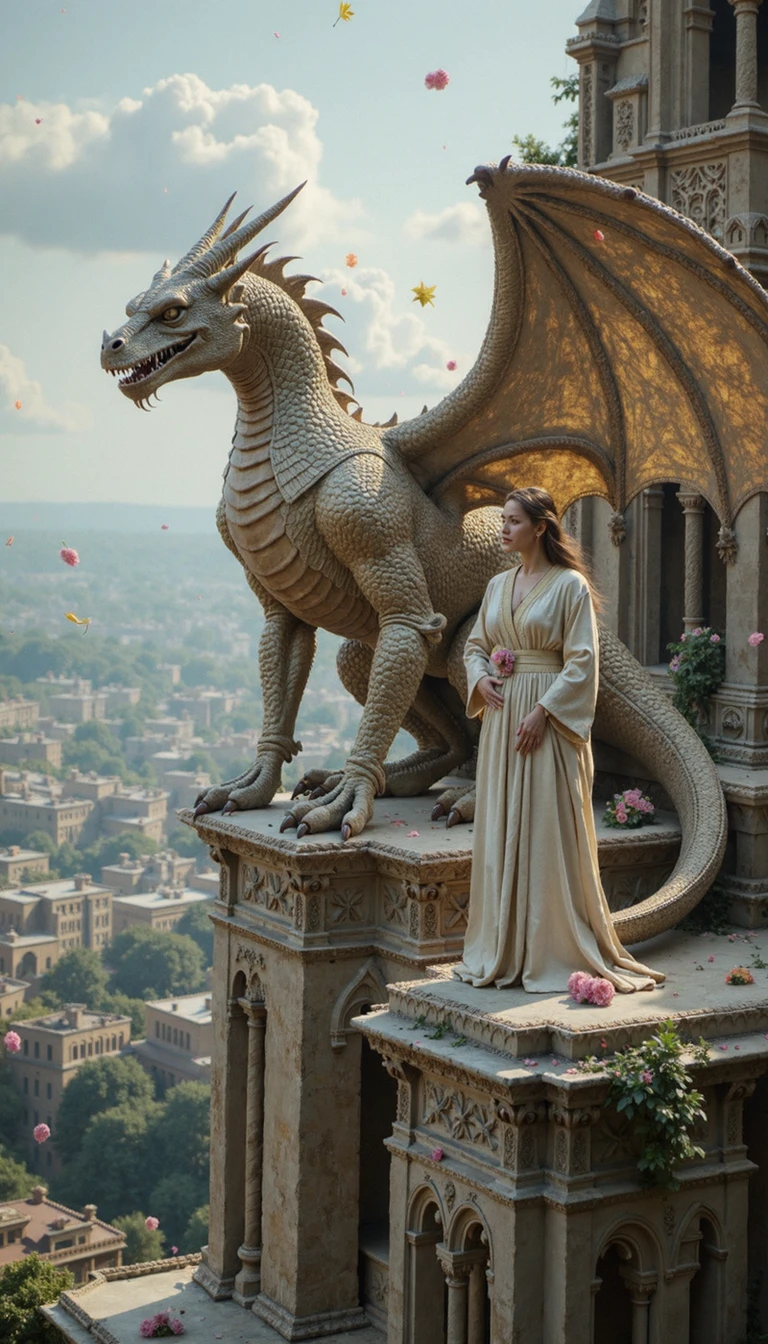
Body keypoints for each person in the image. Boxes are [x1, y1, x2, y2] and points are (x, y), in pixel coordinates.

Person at [454, 486, 664, 994]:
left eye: (513, 521)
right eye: (502, 520)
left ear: (541, 527)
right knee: (504, 823)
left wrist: (543, 713)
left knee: (546, 828)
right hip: (504, 722)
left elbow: (582, 661)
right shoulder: (499, 585)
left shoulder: (569, 586)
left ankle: (550, 946)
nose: (503, 529)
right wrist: (480, 676)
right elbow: (476, 645)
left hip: (546, 722)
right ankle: (505, 945)